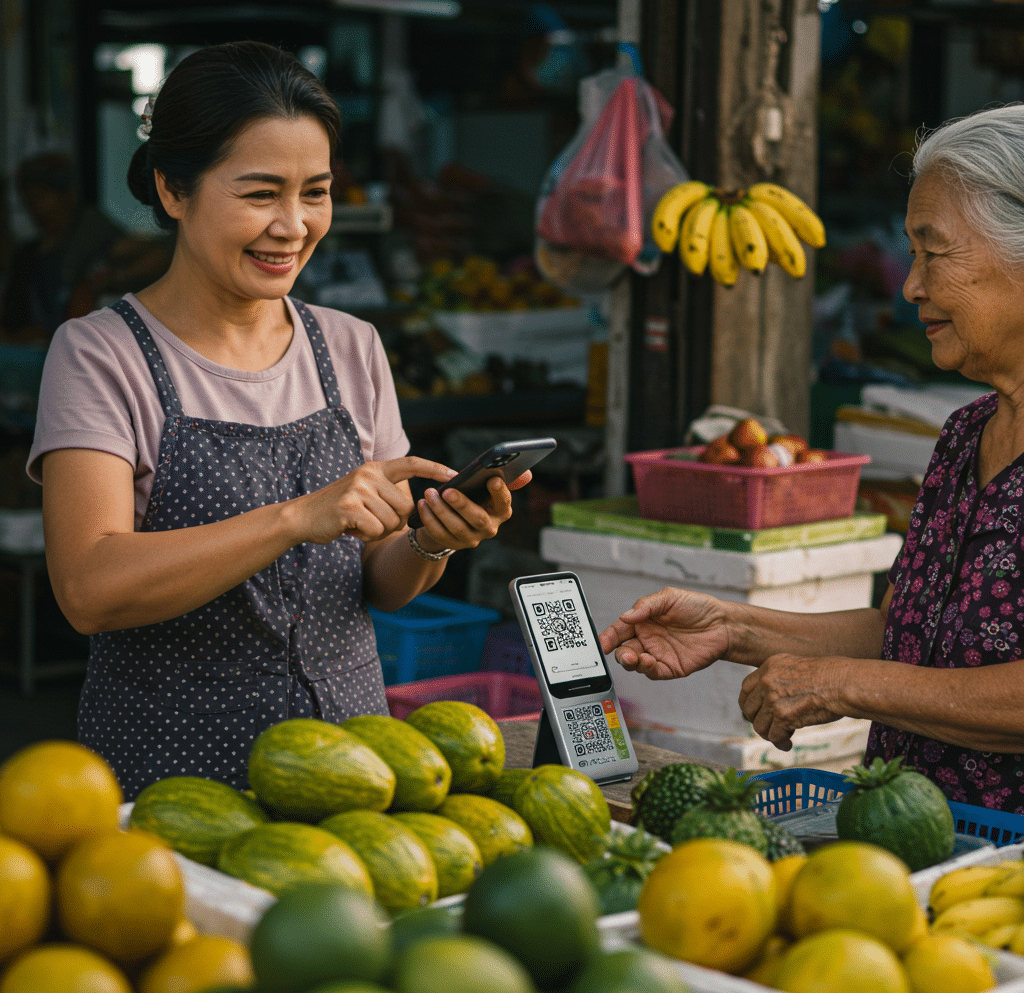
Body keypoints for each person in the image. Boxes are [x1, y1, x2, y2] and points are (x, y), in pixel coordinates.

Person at [27, 41, 532, 799]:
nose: (293, 226)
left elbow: (381, 580)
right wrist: (297, 517)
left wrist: (432, 538)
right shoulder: (101, 354)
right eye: (261, 193)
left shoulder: (350, 346)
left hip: (351, 764)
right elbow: (89, 587)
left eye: (316, 192)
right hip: (174, 780)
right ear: (173, 189)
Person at [600, 104, 1024, 815]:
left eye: (935, 251)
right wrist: (737, 629)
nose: (910, 286)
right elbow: (912, 632)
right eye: (910, 254)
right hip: (914, 845)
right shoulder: (965, 436)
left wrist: (841, 685)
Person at [1, 151, 170, 342]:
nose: (36, 209)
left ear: (69, 195)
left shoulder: (94, 235)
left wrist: (113, 279)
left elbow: (163, 254)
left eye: (42, 197)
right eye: (29, 202)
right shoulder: (29, 254)